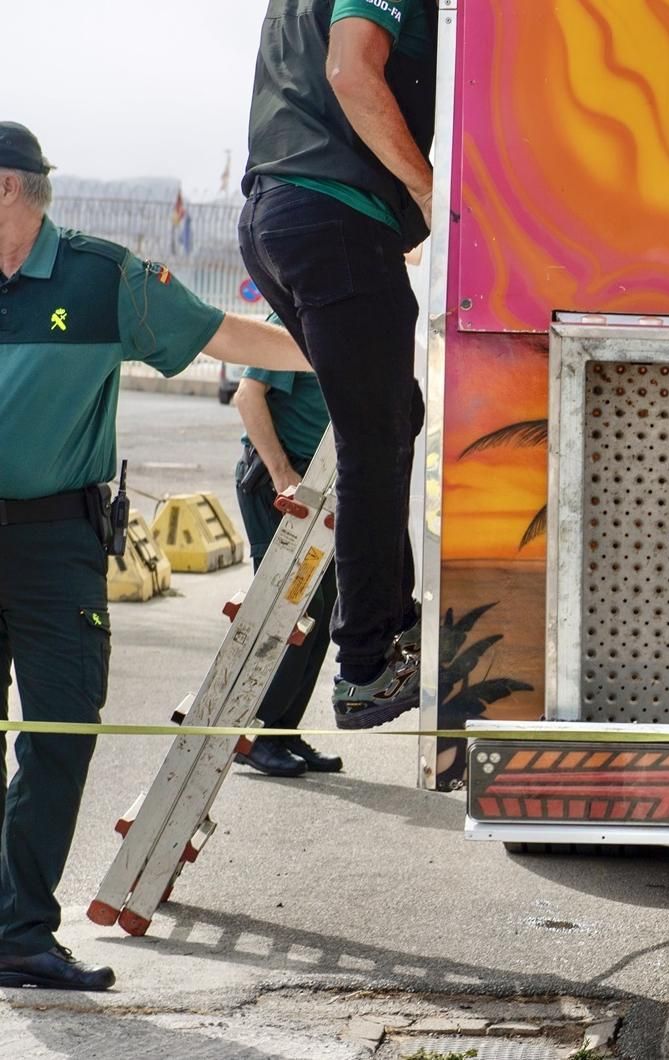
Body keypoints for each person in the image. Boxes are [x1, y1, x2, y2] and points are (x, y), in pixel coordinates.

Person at [0, 122, 313, 991]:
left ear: (7, 188)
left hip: (56, 543)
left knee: (58, 737)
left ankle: (20, 931)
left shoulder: (102, 278)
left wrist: (344, 356)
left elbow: (222, 334)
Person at [238, 0, 434, 730]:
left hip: (278, 215)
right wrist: (426, 189)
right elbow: (352, 71)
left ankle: (390, 618)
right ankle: (366, 664)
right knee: (374, 437)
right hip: (335, 216)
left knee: (390, 415)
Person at [231, 319, 344, 778]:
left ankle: (281, 731)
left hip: (319, 487)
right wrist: (281, 476)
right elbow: (247, 396)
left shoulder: (350, 322)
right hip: (278, 483)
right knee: (292, 607)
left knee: (322, 610)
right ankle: (252, 735)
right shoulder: (293, 320)